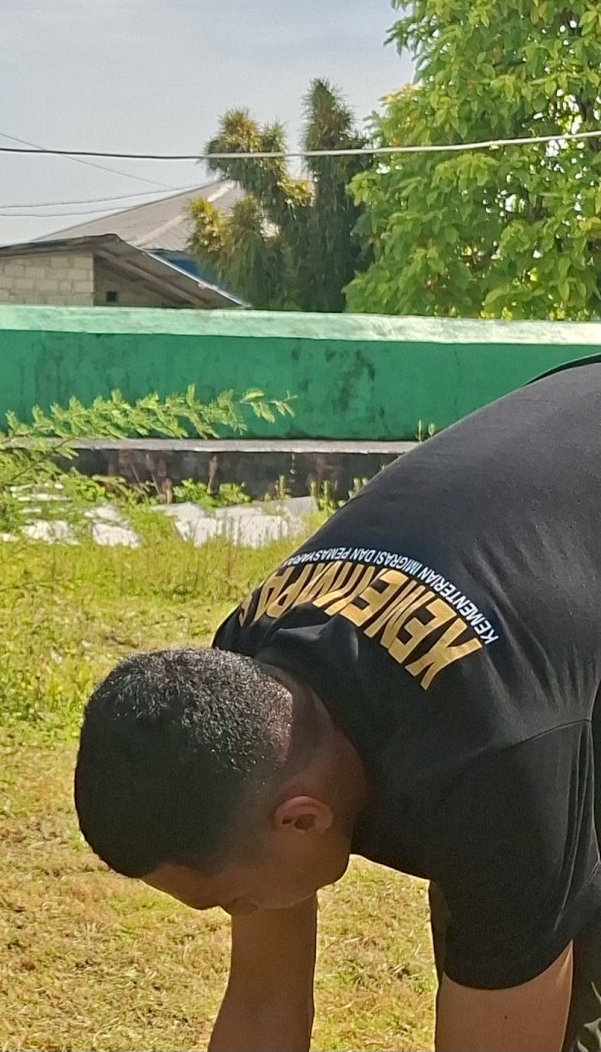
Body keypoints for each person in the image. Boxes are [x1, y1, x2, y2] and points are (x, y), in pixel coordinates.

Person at [73, 356, 601, 1051]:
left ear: (303, 817)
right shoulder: (253, 702)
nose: (241, 912)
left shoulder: (491, 763)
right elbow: (264, 1004)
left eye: (236, 900)